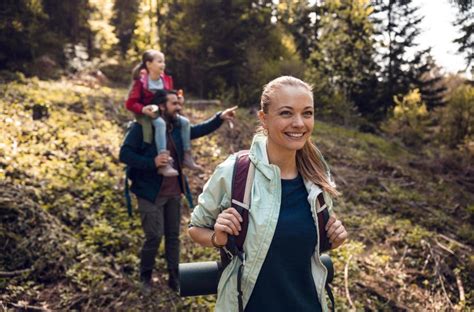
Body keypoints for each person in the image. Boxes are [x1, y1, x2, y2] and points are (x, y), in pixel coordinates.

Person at [188, 76, 348, 311]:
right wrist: (217, 238)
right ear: (264, 118)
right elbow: (195, 228)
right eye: (286, 113)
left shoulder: (317, 176)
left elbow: (302, 249)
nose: (299, 123)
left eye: (307, 113)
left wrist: (334, 240)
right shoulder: (235, 171)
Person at [119, 89, 237, 294]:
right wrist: (152, 162)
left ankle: (174, 278)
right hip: (149, 192)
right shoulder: (142, 128)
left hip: (173, 192)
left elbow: (196, 130)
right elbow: (125, 154)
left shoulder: (176, 127)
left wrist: (219, 118)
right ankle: (145, 277)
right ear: (162, 106)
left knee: (173, 236)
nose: (179, 107)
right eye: (174, 103)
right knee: (154, 236)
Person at [125, 49, 200, 177]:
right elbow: (130, 103)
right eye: (159, 61)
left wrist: (178, 98)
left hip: (164, 111)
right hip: (148, 113)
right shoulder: (142, 82)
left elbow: (170, 96)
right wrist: (143, 109)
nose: (163, 65)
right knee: (160, 124)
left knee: (185, 122)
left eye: (163, 62)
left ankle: (186, 156)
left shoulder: (166, 79)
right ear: (149, 64)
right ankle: (163, 162)